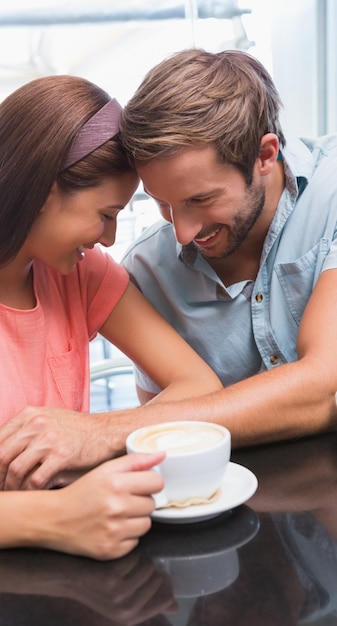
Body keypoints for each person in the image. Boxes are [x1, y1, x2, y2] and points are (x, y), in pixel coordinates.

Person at [0, 73, 223, 560]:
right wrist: (57, 518)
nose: (108, 238)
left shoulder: (82, 276)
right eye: (105, 213)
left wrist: (95, 436)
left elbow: (200, 386)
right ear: (41, 190)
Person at [117, 47, 337, 445]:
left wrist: (106, 431)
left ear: (264, 155)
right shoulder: (146, 271)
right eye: (162, 202)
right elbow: (166, 452)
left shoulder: (332, 194)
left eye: (200, 200)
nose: (182, 233)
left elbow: (323, 384)